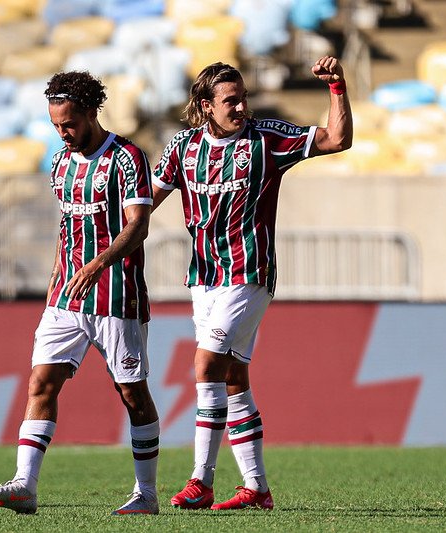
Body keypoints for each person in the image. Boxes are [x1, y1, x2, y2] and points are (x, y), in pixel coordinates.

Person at [151, 56, 353, 511]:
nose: (240, 107)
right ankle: (256, 487)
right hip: (203, 279)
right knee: (234, 378)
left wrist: (337, 87)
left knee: (205, 368)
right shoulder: (183, 148)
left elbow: (337, 139)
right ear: (205, 106)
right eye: (230, 101)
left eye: (242, 98)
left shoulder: (267, 139)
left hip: (249, 274)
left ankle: (200, 480)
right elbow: (145, 200)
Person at [0, 71, 160, 516]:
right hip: (65, 298)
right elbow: (67, 227)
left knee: (132, 393)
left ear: (91, 112)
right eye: (56, 125)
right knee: (42, 381)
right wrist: (57, 277)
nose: (63, 132)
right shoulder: (59, 163)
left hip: (116, 295)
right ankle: (25, 484)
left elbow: (139, 224)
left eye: (70, 123)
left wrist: (97, 265)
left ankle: (146, 494)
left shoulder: (127, 157)